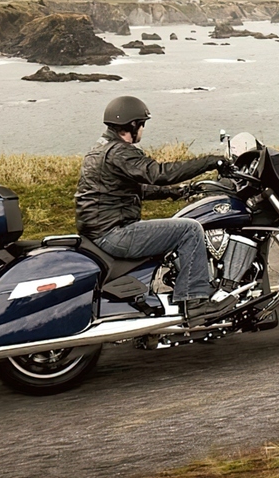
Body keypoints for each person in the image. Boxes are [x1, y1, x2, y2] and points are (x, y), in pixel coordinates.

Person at [74, 95, 226, 316]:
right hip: (114, 234)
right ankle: (194, 302)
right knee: (190, 229)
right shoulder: (120, 152)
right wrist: (210, 162)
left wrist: (176, 192)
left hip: (98, 231)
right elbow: (158, 174)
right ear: (132, 125)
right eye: (142, 124)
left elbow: (133, 189)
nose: (143, 130)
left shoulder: (99, 149)